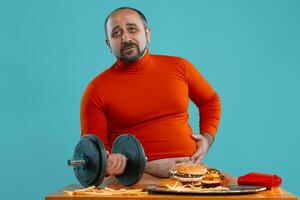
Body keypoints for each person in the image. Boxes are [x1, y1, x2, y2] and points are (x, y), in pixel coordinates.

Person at [80, 7, 221, 184]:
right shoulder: (96, 89)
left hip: (191, 173)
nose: (125, 38)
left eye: (132, 29)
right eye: (116, 33)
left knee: (243, 188)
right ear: (108, 44)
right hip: (133, 179)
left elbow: (210, 101)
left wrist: (206, 140)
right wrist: (108, 164)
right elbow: (95, 154)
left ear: (148, 34)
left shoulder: (180, 67)